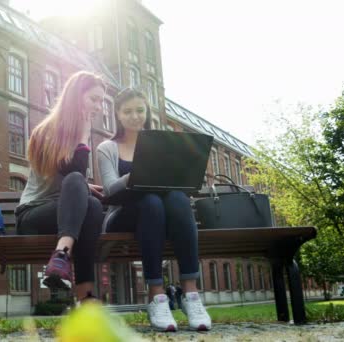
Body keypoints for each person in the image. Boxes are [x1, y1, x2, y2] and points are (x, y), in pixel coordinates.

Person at [97, 88, 212, 331]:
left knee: (178, 199)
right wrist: (139, 171)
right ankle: (157, 296)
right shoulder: (107, 147)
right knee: (150, 201)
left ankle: (191, 295)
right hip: (123, 214)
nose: (135, 116)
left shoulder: (163, 144)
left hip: (162, 212)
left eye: (140, 110)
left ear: (147, 112)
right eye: (127, 111)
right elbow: (109, 189)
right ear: (117, 114)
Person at [15, 71, 105, 304]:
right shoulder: (47, 131)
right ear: (76, 96)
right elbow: (72, 172)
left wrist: (82, 189)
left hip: (66, 218)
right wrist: (84, 137)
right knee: (77, 183)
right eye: (94, 99)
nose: (99, 107)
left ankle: (82, 294)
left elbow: (72, 175)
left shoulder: (78, 134)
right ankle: (63, 255)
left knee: (94, 206)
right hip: (33, 215)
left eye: (101, 101)